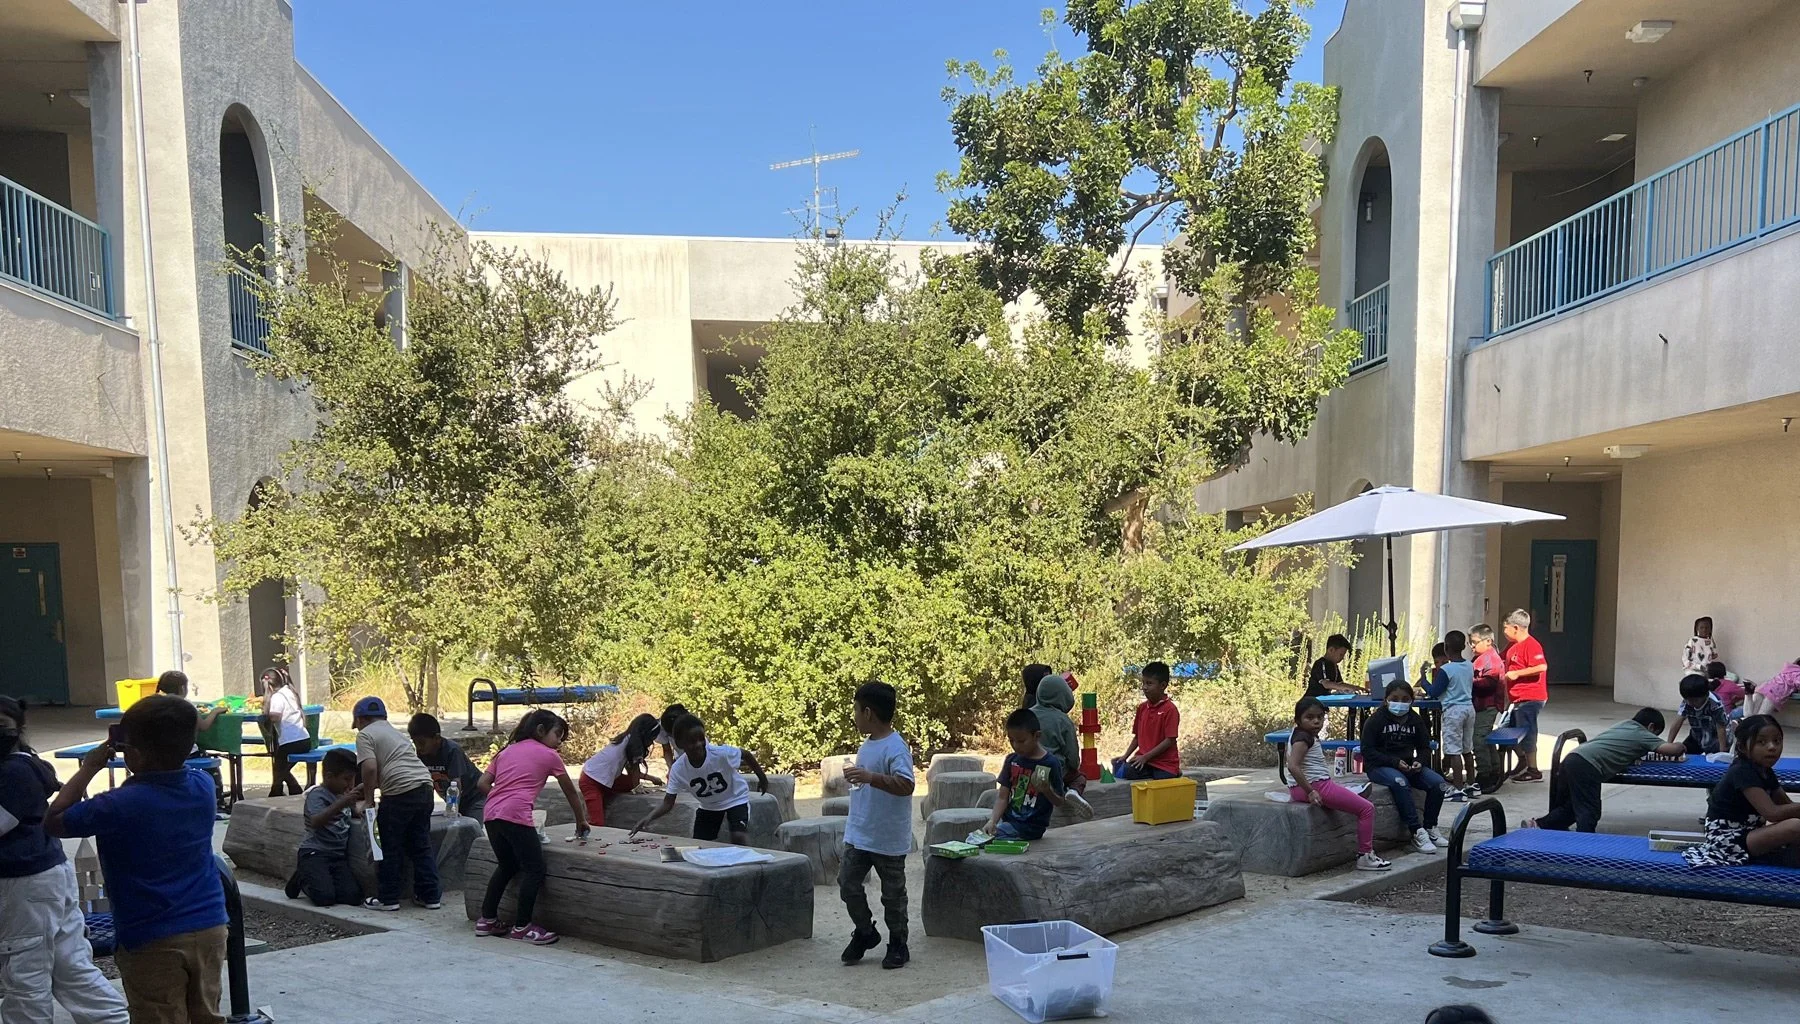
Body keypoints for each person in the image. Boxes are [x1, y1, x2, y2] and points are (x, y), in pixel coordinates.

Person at [46, 696, 228, 1024]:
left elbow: (55, 819)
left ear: (136, 755)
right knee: (207, 1015)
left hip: (152, 935)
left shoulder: (117, 805)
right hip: (210, 925)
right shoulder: (203, 786)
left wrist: (89, 767)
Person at [0, 696, 130, 1024]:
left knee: (24, 974)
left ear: (17, 729)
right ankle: (113, 1019)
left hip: (25, 884)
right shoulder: (21, 764)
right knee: (70, 966)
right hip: (44, 879)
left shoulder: (15, 771)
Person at [474, 710, 589, 946]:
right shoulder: (549, 755)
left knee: (507, 865)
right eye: (558, 735)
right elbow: (569, 789)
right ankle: (522, 926)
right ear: (540, 730)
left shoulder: (505, 751)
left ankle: (486, 919)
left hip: (491, 813)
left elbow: (482, 783)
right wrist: (581, 820)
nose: (559, 742)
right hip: (516, 814)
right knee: (534, 868)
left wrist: (501, 798)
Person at [838, 682, 916, 971]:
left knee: (893, 894)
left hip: (887, 837)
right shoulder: (867, 743)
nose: (854, 716)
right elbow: (869, 781)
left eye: (856, 710)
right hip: (859, 832)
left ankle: (898, 943)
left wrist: (870, 777)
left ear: (868, 712)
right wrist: (861, 778)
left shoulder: (896, 747)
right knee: (847, 883)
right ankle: (866, 932)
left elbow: (907, 784)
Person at [1524, 708, 1684, 832]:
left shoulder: (1624, 725)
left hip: (1572, 758)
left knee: (1572, 807)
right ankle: (1585, 848)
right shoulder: (1642, 733)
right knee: (1589, 811)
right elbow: (1672, 750)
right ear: (1651, 727)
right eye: (1656, 734)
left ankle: (1536, 825)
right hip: (1587, 766)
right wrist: (1682, 746)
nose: (1654, 739)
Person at [351, 696, 441, 912]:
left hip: (399, 793)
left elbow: (370, 768)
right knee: (420, 844)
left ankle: (388, 898)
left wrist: (369, 801)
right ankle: (430, 896)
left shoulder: (365, 735)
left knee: (389, 846)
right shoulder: (395, 733)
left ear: (361, 720)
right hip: (424, 787)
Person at [1286, 697, 1388, 872]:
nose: (1316, 721)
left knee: (1350, 795)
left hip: (1311, 786)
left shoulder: (1302, 734)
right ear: (1298, 720)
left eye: (1319, 717)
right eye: (1309, 717)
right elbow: (1293, 766)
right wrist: (1310, 791)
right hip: (1317, 787)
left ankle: (1351, 794)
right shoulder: (1303, 738)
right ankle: (1365, 855)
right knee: (1367, 809)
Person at [1684, 715, 1800, 868]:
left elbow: (1787, 806)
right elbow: (1772, 813)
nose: (1772, 747)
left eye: (1777, 741)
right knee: (1795, 826)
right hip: (1727, 841)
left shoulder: (1765, 771)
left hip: (1749, 835)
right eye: (1762, 742)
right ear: (1742, 747)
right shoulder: (1742, 771)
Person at [632, 714, 767, 845]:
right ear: (679, 743)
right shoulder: (678, 769)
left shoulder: (720, 753)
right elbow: (668, 802)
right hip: (709, 806)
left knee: (738, 836)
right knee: (699, 843)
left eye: (701, 739)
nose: (698, 744)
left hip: (735, 798)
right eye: (692, 741)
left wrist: (762, 777)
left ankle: (744, 862)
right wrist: (649, 818)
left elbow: (746, 755)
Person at [1362, 680, 1448, 854]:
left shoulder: (1415, 720)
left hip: (1409, 765)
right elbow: (1367, 750)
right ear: (1386, 699)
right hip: (1380, 766)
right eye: (1395, 698)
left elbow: (1424, 747)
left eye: (1405, 699)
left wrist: (1419, 762)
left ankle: (1430, 826)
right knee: (1400, 783)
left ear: (1411, 701)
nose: (1399, 703)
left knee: (1438, 784)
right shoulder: (1376, 720)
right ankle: (1416, 831)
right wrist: (1393, 762)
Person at [979, 708, 1075, 841]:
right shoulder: (1011, 760)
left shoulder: (1050, 763)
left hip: (1031, 828)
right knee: (978, 838)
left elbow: (1059, 801)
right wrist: (992, 821)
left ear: (1037, 736)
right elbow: (1002, 797)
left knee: (987, 841)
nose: (1016, 746)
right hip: (1008, 823)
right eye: (1011, 740)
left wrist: (1047, 790)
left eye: (1021, 741)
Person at [284, 748, 364, 907]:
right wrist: (342, 803)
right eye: (346, 779)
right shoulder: (318, 795)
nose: (350, 784)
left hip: (337, 855)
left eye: (352, 779)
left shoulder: (343, 795)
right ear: (329, 777)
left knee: (353, 897)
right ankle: (302, 878)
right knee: (324, 898)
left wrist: (358, 808)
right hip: (315, 853)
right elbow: (316, 821)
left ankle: (320, 879)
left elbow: (350, 814)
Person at [154, 669, 228, 811]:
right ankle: (218, 803)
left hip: (162, 752)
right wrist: (214, 712)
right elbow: (204, 726)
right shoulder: (186, 705)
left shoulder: (156, 704)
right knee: (212, 769)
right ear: (182, 688)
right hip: (187, 751)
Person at [578, 713, 663, 829]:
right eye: (652, 738)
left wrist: (651, 778)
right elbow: (634, 769)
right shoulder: (632, 744)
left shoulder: (628, 739)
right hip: (591, 781)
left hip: (607, 779)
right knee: (597, 823)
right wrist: (637, 787)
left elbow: (632, 771)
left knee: (629, 783)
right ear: (646, 735)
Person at [1029, 671, 1094, 817]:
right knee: (1079, 776)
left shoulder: (1028, 715)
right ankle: (1073, 791)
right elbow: (1072, 755)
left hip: (1027, 768)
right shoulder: (1063, 720)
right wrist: (1074, 767)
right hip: (1054, 770)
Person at [1425, 630, 1477, 799]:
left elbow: (1434, 691)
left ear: (1446, 648)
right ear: (1463, 647)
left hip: (1453, 711)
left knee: (1453, 751)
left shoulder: (1446, 669)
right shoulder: (1469, 665)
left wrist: (1422, 678)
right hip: (1469, 708)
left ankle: (1457, 788)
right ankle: (1471, 784)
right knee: (1467, 748)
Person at [1501, 610, 1549, 782]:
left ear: (1515, 628)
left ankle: (1534, 769)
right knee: (1507, 730)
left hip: (1530, 698)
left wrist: (1518, 674)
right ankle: (1522, 761)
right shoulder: (1512, 646)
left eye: (1505, 628)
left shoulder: (1531, 645)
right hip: (1516, 699)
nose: (1504, 632)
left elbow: (1541, 667)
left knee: (1527, 731)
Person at [409, 713, 486, 819]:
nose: (419, 747)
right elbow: (425, 783)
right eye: (415, 743)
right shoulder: (422, 754)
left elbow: (456, 783)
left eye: (422, 743)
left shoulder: (452, 751)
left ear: (437, 738)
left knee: (472, 828)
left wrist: (454, 809)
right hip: (453, 799)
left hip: (474, 797)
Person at [1116, 661, 1180, 781]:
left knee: (1163, 779)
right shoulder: (1142, 708)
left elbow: (1169, 740)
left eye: (1149, 683)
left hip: (1164, 763)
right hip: (1144, 760)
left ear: (1163, 685)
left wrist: (1146, 757)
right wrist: (1125, 756)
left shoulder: (1170, 709)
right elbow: (1137, 737)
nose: (1145, 687)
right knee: (1125, 771)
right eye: (1143, 683)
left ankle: (1176, 772)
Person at [259, 667, 312, 797]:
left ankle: (275, 794)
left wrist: (266, 711)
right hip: (304, 739)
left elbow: (275, 716)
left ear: (269, 685)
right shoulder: (289, 691)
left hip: (290, 742)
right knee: (282, 769)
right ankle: (294, 791)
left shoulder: (277, 697)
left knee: (278, 770)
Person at [1469, 624, 1507, 793]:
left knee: (1478, 738)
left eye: (1474, 642)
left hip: (1488, 705)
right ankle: (1495, 769)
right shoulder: (1480, 657)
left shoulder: (1491, 659)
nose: (1471, 646)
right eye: (1470, 642)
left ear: (1488, 641)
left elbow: (1490, 683)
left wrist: (1469, 681)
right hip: (1482, 705)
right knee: (1485, 737)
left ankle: (1484, 774)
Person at [1669, 674, 1729, 755]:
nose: (1690, 703)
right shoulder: (1687, 702)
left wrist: (1722, 751)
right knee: (1682, 754)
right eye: (1687, 700)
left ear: (1706, 695)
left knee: (1712, 760)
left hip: (1715, 738)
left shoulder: (1715, 704)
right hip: (1696, 736)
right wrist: (1668, 744)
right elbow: (1678, 721)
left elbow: (1721, 728)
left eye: (1695, 700)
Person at [1304, 634, 1359, 699]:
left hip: (1322, 702)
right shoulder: (1321, 663)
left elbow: (1340, 684)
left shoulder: (1334, 666)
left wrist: (1357, 688)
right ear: (1331, 650)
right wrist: (1348, 688)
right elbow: (1327, 684)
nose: (1342, 658)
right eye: (1341, 654)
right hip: (1311, 702)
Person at [653, 703, 689, 769]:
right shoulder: (661, 728)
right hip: (679, 758)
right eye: (669, 735)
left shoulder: (692, 726)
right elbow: (667, 749)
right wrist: (671, 768)